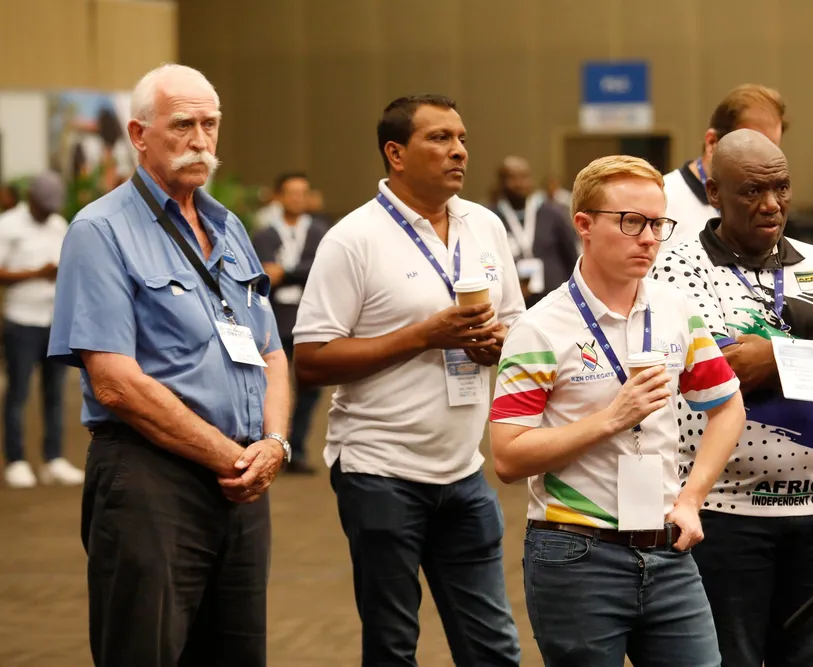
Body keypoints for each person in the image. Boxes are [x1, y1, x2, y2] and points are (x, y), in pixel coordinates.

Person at [47, 63, 289, 667]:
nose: (200, 140)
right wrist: (231, 456)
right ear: (139, 134)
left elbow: (271, 352)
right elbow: (115, 383)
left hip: (242, 482)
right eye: (183, 125)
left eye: (210, 124)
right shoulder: (100, 230)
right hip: (152, 480)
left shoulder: (229, 227)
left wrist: (276, 443)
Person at [292, 94, 523, 667]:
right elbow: (312, 360)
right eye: (440, 138)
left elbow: (517, 325)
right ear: (395, 154)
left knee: (494, 648)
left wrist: (499, 345)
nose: (459, 150)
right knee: (393, 646)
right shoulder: (353, 238)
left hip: (464, 470)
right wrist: (423, 336)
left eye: (462, 138)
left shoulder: (485, 225)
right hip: (380, 470)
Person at [489, 155, 745, 667]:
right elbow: (508, 457)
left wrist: (692, 498)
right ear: (583, 225)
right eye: (631, 222)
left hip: (669, 551)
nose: (649, 238)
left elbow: (728, 406)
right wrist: (612, 418)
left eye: (657, 224)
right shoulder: (539, 329)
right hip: (576, 554)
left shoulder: (675, 310)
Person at [656, 129, 813, 667]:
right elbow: (727, 368)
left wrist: (773, 357)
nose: (771, 204)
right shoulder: (679, 266)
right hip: (728, 513)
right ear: (714, 194)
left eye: (781, 187)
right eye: (752, 191)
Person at [0, 172, 83, 488]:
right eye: (44, 205)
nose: (49, 211)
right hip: (21, 321)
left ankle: (53, 459)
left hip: (53, 321)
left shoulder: (58, 225)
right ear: (31, 198)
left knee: (55, 394)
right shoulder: (8, 225)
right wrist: (38, 273)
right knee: (18, 394)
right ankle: (16, 461)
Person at [252, 171, 329, 473]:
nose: (297, 198)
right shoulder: (264, 234)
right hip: (274, 317)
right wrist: (295, 272)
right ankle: (271, 445)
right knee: (271, 384)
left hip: (310, 317)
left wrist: (285, 272)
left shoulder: (321, 232)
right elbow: (261, 273)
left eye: (302, 193)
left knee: (310, 386)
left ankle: (297, 449)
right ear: (278, 196)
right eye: (291, 192)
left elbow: (321, 268)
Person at [653, 83, 788, 255]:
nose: (763, 162)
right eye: (749, 148)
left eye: (770, 150)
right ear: (712, 143)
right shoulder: (662, 201)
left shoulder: (770, 209)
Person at [490, 156, 578, 305]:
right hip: (514, 302)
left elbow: (571, 257)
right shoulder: (491, 218)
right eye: (512, 178)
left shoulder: (552, 214)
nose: (519, 183)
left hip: (556, 301)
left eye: (524, 177)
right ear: (501, 182)